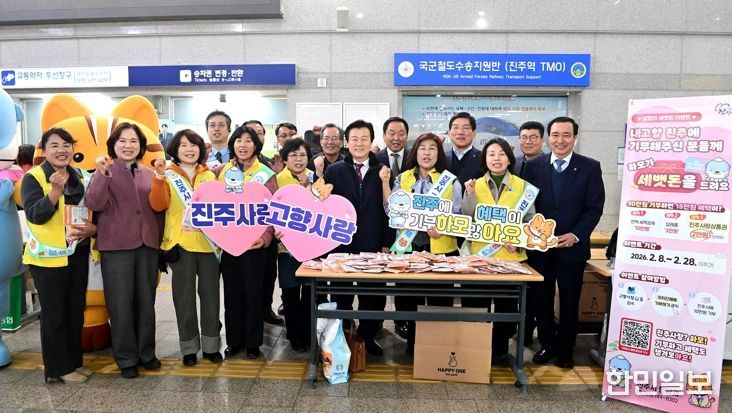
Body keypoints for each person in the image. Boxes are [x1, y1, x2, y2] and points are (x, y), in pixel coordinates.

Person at [85, 122, 168, 378]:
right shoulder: (104, 171)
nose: (128, 145)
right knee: (120, 303)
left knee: (146, 302)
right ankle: (126, 358)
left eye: (133, 141)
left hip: (147, 245)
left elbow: (159, 209)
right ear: (113, 145)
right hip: (115, 246)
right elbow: (94, 202)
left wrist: (160, 244)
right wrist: (101, 175)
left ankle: (147, 353)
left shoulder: (149, 173)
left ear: (141, 146)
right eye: (122, 140)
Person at [523, 116, 605, 369]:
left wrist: (576, 234)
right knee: (542, 299)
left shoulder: (590, 167)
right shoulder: (533, 166)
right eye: (555, 135)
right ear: (548, 138)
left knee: (570, 300)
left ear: (575, 138)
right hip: (540, 248)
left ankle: (566, 349)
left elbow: (594, 208)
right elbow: (525, 205)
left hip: (572, 248)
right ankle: (547, 344)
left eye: (566, 135)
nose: (560, 140)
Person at [21, 127, 97, 384]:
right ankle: (57, 369)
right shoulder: (33, 177)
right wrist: (54, 191)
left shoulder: (80, 176)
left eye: (66, 145)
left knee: (75, 311)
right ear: (44, 150)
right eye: (54, 145)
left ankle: (73, 362)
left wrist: (93, 229)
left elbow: (91, 209)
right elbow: (35, 215)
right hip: (47, 257)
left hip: (76, 252)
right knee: (54, 314)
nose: (62, 150)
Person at [379, 132, 462, 355]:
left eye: (432, 148)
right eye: (422, 148)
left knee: (439, 302)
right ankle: (413, 346)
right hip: (409, 249)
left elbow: (458, 214)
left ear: (439, 153)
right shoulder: (403, 178)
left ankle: (437, 350)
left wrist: (444, 227)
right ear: (415, 152)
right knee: (409, 300)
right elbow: (391, 210)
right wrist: (385, 183)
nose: (427, 153)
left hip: (441, 250)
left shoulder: (450, 180)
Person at [462, 137, 537, 363]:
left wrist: (520, 241)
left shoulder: (522, 186)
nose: (497, 158)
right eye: (491, 154)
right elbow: (466, 218)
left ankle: (500, 352)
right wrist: (469, 195)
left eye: (501, 154)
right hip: (479, 260)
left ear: (509, 158)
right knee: (475, 307)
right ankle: (475, 353)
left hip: (510, 260)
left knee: (506, 310)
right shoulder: (474, 184)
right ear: (485, 159)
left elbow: (531, 221)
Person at [324, 119, 392, 356]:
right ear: (347, 142)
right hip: (342, 243)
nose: (359, 143)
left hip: (373, 242)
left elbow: (390, 210)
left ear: (372, 141)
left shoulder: (383, 170)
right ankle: (342, 338)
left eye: (364, 139)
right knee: (340, 293)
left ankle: (367, 337)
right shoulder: (334, 170)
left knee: (372, 295)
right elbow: (326, 207)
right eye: (354, 139)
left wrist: (386, 242)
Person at [157, 129, 222, 366]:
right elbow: (158, 205)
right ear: (175, 149)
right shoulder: (166, 174)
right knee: (183, 299)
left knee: (211, 297)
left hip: (208, 244)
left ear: (201, 149)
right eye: (183, 145)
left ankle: (212, 346)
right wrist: (158, 179)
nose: (189, 149)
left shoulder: (211, 176)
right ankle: (189, 348)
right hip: (180, 244)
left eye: (194, 145)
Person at [218, 126, 277, 360]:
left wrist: (265, 238)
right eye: (239, 140)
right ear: (232, 144)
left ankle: (253, 342)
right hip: (230, 244)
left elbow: (273, 211)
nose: (243, 145)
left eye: (248, 141)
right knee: (232, 294)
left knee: (254, 294)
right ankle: (234, 341)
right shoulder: (222, 172)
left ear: (256, 145)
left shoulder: (266, 174)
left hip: (255, 245)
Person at [274, 138, 315, 353]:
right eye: (293, 155)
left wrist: (309, 186)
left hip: (312, 248)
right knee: (290, 292)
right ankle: (294, 335)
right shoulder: (277, 180)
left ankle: (309, 332)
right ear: (285, 158)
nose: (298, 159)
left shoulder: (316, 178)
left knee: (310, 291)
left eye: (302, 155)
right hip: (286, 248)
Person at [244, 119, 284, 326]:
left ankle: (266, 309)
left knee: (268, 275)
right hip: (239, 232)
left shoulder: (269, 164)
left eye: (259, 132)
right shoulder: (230, 166)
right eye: (251, 132)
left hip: (266, 233)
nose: (255, 136)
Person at [376, 116, 411, 338]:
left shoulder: (415, 159)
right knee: (379, 283)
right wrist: (384, 240)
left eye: (401, 133)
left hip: (410, 233)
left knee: (406, 281)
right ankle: (376, 323)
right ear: (384, 135)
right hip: (383, 230)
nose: (396, 138)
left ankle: (403, 321)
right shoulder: (375, 159)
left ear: (407, 135)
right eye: (391, 133)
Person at [512, 121, 545, 345]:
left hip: (538, 236)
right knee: (516, 288)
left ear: (542, 140)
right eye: (524, 137)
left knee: (536, 290)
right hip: (513, 239)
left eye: (533, 137)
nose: (528, 141)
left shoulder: (547, 164)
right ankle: (520, 328)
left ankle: (532, 331)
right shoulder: (512, 164)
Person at [445, 112, 482, 188]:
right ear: (449, 133)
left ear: (474, 133)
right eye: (456, 127)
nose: (460, 132)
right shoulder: (441, 158)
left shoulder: (484, 158)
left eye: (466, 128)